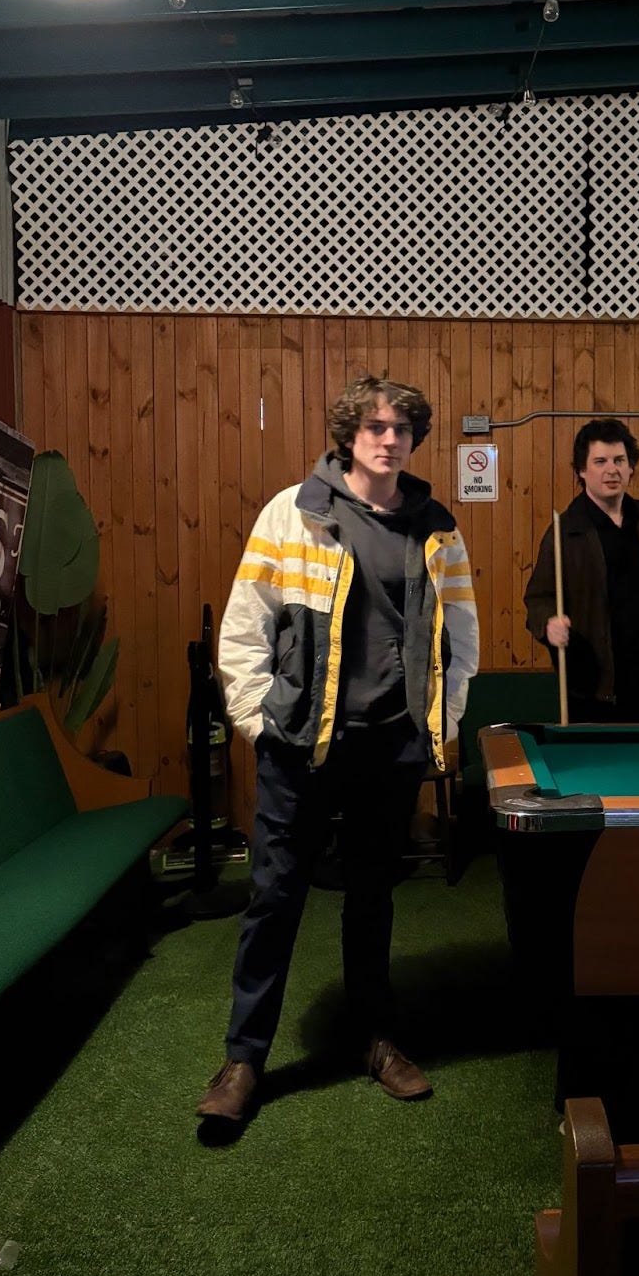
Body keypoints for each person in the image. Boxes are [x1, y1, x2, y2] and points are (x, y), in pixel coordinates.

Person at [196, 375, 480, 1124]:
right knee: (274, 899)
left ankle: (376, 1041)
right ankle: (243, 1058)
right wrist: (259, 720)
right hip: (301, 747)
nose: (389, 439)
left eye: (402, 429)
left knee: (373, 900)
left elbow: (462, 635)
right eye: (376, 426)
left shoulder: (437, 527)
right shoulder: (294, 512)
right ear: (349, 433)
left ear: (414, 440)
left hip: (391, 747)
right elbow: (246, 624)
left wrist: (441, 725)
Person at [524, 418, 639, 722]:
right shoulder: (566, 531)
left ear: (631, 467)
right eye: (600, 461)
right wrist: (548, 624)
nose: (612, 470)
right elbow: (538, 598)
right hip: (595, 689)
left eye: (619, 460)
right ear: (582, 471)